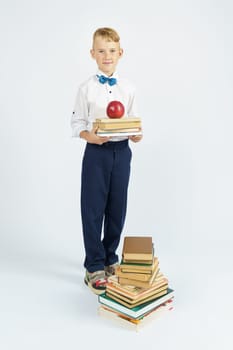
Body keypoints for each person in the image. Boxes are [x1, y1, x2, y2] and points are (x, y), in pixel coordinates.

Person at [71, 27, 142, 295]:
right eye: (101, 51)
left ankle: (111, 257)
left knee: (117, 207)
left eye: (112, 50)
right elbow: (77, 123)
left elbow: (134, 123)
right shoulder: (86, 89)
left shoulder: (129, 88)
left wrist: (137, 136)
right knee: (93, 209)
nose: (107, 55)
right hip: (96, 154)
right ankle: (94, 266)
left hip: (122, 153)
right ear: (92, 54)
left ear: (120, 53)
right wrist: (91, 136)